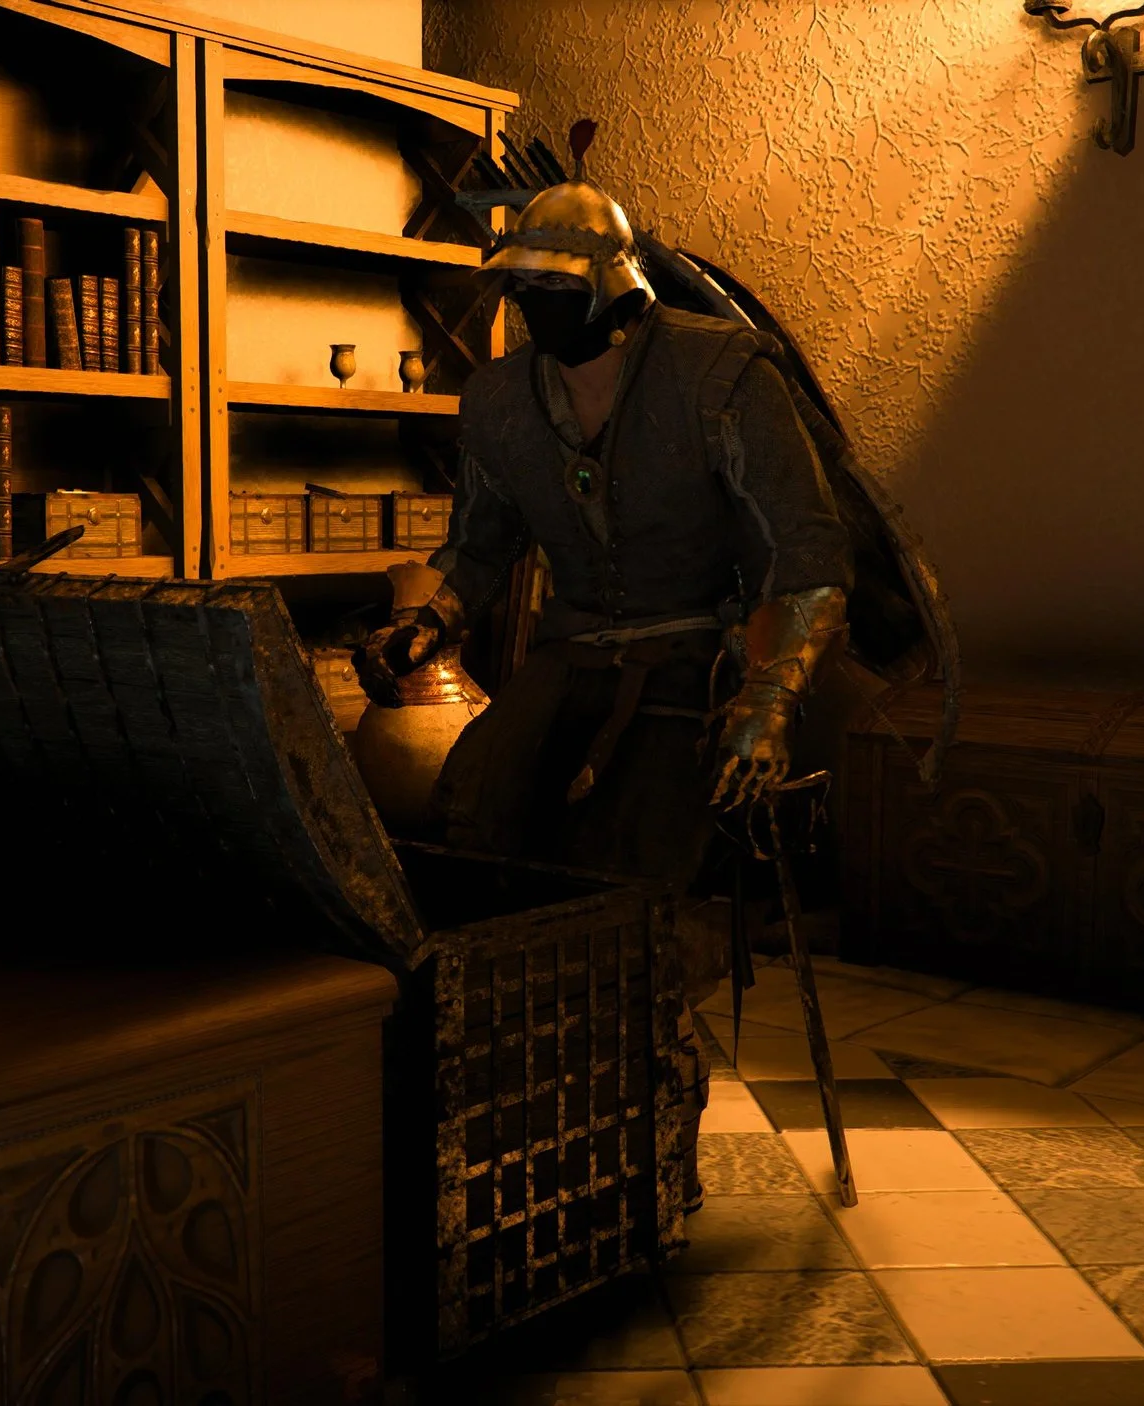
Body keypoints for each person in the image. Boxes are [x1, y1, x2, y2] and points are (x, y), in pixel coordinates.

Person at [355, 168, 854, 1209]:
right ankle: (510, 1105)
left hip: (688, 665)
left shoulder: (723, 375)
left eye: (556, 289)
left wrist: (765, 707)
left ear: (614, 291)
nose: (535, 309)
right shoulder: (500, 399)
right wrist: (427, 623)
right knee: (471, 834)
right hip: (566, 659)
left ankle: (644, 1119)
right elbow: (479, 545)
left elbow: (805, 562)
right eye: (523, 289)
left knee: (630, 889)